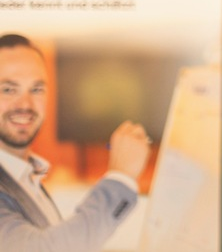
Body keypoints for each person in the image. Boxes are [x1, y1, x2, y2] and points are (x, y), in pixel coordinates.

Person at [0, 33, 152, 251]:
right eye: (8, 89)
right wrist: (121, 178)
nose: (25, 104)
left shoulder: (26, 176)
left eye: (36, 89)